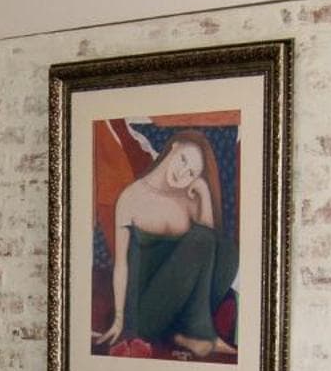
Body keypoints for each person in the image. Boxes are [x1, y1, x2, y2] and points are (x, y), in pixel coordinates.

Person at [94, 130, 239, 358]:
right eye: (183, 160)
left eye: (191, 173)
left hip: (176, 308)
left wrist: (203, 192)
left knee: (228, 252)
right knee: (202, 240)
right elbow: (121, 264)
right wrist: (119, 320)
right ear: (173, 147)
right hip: (145, 311)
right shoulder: (131, 197)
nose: (182, 174)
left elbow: (213, 251)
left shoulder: (189, 199)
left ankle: (183, 334)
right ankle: (200, 336)